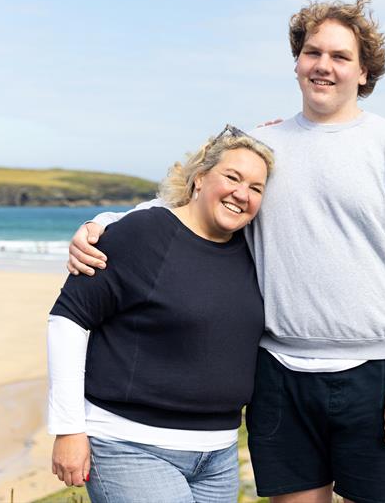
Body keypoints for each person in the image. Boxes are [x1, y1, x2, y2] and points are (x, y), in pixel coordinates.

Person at [66, 0, 385, 503]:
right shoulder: (261, 145)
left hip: (378, 376)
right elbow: (189, 202)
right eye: (312, 52)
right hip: (277, 375)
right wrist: (103, 223)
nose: (324, 66)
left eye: (340, 56)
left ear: (364, 72)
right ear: (297, 61)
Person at [48, 125, 274, 503]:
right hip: (130, 446)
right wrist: (68, 428)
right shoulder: (141, 234)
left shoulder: (252, 249)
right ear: (200, 178)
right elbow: (67, 321)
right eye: (232, 177)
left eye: (256, 188)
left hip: (218, 455)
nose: (242, 193)